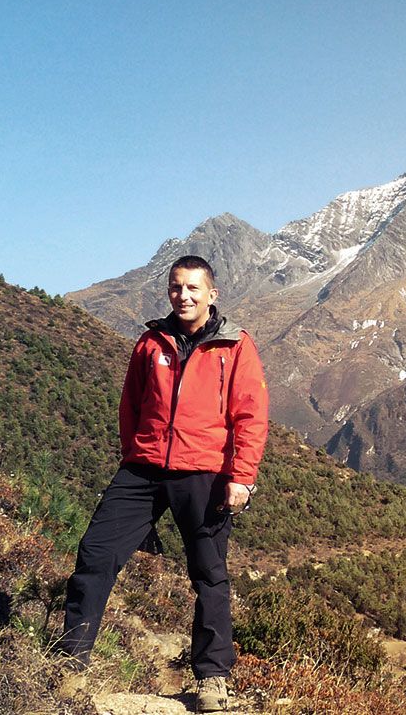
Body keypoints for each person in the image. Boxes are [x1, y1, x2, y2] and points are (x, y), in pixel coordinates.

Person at [59, 255, 269, 713]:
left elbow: (250, 415)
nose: (184, 296)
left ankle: (213, 678)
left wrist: (242, 477)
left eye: (194, 288)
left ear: (212, 294)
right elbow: (130, 405)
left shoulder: (235, 346)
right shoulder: (151, 342)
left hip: (204, 472)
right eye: (176, 288)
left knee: (209, 573)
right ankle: (69, 663)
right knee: (96, 553)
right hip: (144, 469)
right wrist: (134, 453)